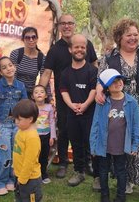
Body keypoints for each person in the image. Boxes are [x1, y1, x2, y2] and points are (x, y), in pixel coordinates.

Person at [95, 19, 139, 202]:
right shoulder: (110, 57)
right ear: (119, 37)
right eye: (129, 35)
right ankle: (126, 180)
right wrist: (99, 93)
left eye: (135, 34)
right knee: (121, 143)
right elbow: (101, 79)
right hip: (120, 106)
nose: (133, 38)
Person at [39, 14, 98, 182]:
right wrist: (38, 94)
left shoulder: (86, 44)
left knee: (87, 132)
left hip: (87, 97)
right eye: (63, 24)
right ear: (58, 26)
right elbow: (47, 73)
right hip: (65, 98)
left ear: (74, 25)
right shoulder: (55, 50)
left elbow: (95, 66)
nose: (66, 26)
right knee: (64, 130)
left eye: (70, 23)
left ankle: (87, 163)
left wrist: (99, 89)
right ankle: (64, 162)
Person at [90, 69, 139, 202]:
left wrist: (134, 145)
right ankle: (104, 195)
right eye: (113, 81)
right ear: (107, 87)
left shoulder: (131, 103)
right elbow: (95, 124)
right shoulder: (102, 103)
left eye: (119, 80)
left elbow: (136, 126)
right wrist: (93, 145)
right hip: (104, 145)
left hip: (121, 145)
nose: (117, 83)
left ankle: (120, 196)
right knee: (103, 170)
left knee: (121, 170)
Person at [59, 34, 98, 187]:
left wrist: (86, 104)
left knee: (92, 143)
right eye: (77, 47)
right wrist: (72, 105)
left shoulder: (92, 71)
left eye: (83, 47)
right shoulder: (65, 72)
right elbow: (63, 91)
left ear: (86, 49)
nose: (79, 50)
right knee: (75, 143)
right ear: (70, 49)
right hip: (72, 114)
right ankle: (78, 171)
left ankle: (97, 175)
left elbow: (94, 90)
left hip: (89, 113)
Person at [0, 56, 28, 195]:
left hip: (17, 125)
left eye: (10, 65)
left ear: (14, 67)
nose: (8, 69)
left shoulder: (21, 86)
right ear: (1, 71)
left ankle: (10, 180)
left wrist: (24, 123)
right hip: (2, 125)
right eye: (4, 67)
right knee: (4, 154)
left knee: (15, 153)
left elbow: (25, 105)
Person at [7, 99, 48, 202]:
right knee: (21, 200)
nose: (16, 122)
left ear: (30, 119)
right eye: (15, 119)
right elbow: (18, 153)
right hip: (20, 175)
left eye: (19, 120)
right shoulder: (20, 132)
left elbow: (29, 161)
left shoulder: (32, 137)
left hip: (30, 178)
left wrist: (23, 178)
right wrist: (15, 168)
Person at [10, 27, 49, 98]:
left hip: (31, 94)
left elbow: (45, 78)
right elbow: (12, 76)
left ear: (37, 39)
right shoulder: (16, 54)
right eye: (27, 38)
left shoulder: (42, 58)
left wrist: (49, 98)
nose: (31, 40)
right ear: (23, 40)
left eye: (33, 37)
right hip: (15, 91)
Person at [32, 84, 56, 184]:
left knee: (44, 156)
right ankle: (34, 174)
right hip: (34, 137)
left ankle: (43, 174)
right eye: (36, 92)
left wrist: (52, 136)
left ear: (46, 95)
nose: (39, 94)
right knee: (34, 156)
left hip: (46, 136)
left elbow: (52, 122)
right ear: (32, 96)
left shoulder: (49, 107)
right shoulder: (31, 107)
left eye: (42, 92)